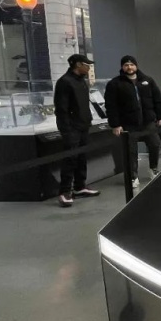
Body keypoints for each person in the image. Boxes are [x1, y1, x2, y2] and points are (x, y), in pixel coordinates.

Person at [104, 55, 161, 188]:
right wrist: (115, 124)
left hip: (148, 121)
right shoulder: (114, 84)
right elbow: (111, 106)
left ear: (136, 66)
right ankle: (133, 176)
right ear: (122, 67)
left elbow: (157, 99)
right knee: (131, 151)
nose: (129, 67)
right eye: (126, 65)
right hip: (128, 123)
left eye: (131, 64)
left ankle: (153, 169)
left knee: (155, 144)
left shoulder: (148, 80)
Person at [53, 53, 101, 207]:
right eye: (86, 65)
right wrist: (66, 129)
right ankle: (64, 191)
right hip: (71, 128)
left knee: (81, 157)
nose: (89, 67)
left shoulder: (82, 81)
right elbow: (61, 109)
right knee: (70, 159)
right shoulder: (64, 82)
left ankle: (80, 186)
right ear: (78, 65)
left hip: (83, 125)